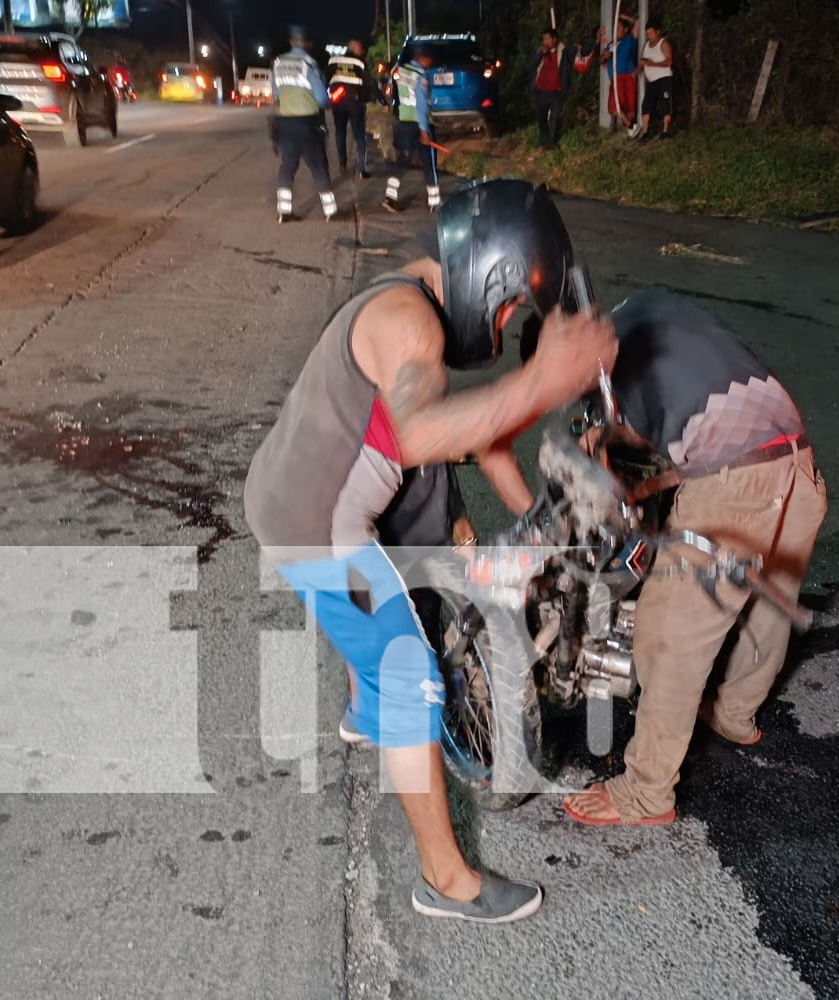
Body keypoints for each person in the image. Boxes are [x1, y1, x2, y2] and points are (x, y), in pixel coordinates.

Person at [243, 179, 619, 920]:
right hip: (315, 526)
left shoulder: (404, 301)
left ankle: (360, 706)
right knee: (411, 678)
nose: (508, 322)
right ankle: (445, 882)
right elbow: (418, 435)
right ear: (490, 275)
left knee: (398, 597)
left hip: (302, 491)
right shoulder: (410, 326)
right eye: (513, 305)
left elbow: (456, 435)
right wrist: (543, 378)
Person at [517, 288, 827, 826]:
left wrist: (600, 455)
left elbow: (614, 455)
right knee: (766, 603)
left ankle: (645, 793)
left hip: (740, 487)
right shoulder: (645, 307)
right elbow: (700, 431)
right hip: (796, 466)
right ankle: (734, 715)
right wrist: (647, 485)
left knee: (669, 631)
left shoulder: (605, 375)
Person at [271, 26, 337, 224]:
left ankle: (284, 211)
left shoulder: (278, 63)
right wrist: (327, 105)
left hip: (285, 122)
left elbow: (275, 95)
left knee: (287, 166)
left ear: (291, 42)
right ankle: (330, 211)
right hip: (307, 123)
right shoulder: (309, 64)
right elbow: (321, 98)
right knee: (317, 164)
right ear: (307, 44)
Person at [384, 46, 439, 213]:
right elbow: (421, 105)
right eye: (429, 59)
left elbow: (390, 92)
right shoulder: (421, 76)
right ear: (423, 58)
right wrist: (424, 130)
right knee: (429, 162)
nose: (430, 63)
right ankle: (435, 202)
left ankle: (390, 196)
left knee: (403, 159)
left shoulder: (399, 71)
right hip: (420, 123)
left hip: (404, 121)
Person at [529, 27, 586, 150]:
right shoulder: (540, 52)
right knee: (542, 118)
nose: (545, 41)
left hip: (556, 91)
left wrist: (586, 46)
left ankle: (552, 142)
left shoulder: (564, 51)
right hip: (541, 91)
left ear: (555, 39)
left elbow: (578, 51)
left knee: (554, 117)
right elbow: (532, 65)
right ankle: (546, 144)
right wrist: (540, 54)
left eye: (548, 38)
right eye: (544, 39)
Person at [327, 38, 372, 179]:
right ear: (353, 49)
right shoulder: (360, 62)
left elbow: (325, 78)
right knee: (359, 136)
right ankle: (361, 169)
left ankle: (342, 164)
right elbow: (368, 84)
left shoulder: (334, 61)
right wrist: (366, 99)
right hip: (355, 102)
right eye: (360, 48)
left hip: (338, 100)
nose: (362, 51)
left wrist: (328, 98)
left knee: (340, 133)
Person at [598, 16, 640, 135]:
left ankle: (630, 132)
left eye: (619, 28)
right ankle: (631, 126)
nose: (616, 30)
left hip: (627, 76)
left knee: (630, 107)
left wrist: (624, 17)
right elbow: (601, 61)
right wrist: (604, 57)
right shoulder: (611, 44)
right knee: (613, 106)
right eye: (615, 28)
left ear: (625, 29)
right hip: (615, 79)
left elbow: (637, 22)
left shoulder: (629, 39)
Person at [636, 21, 674, 141]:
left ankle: (665, 131)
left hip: (664, 78)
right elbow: (643, 62)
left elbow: (669, 61)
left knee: (665, 103)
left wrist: (652, 64)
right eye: (647, 33)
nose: (649, 36)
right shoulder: (646, 45)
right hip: (651, 81)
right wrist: (637, 71)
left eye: (651, 33)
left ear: (657, 32)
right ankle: (646, 132)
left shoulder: (663, 43)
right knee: (646, 105)